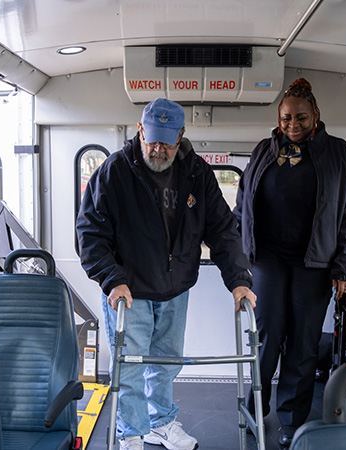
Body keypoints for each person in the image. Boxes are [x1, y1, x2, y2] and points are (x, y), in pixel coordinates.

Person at [77, 97, 257, 450]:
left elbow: (222, 230)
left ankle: (160, 423)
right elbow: (90, 233)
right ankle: (130, 434)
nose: (157, 148)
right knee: (128, 368)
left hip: (175, 289)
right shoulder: (114, 172)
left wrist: (239, 280)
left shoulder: (197, 174)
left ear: (181, 136)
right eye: (152, 138)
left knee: (166, 363)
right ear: (140, 130)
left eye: (166, 140)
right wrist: (113, 279)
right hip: (129, 289)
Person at [234, 78, 346, 447]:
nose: (293, 125)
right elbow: (243, 203)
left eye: (301, 118)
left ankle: (293, 418)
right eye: (286, 117)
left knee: (304, 344)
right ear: (279, 117)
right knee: (266, 338)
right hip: (268, 261)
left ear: (316, 116)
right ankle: (255, 408)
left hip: (316, 263)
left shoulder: (339, 154)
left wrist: (344, 267)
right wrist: (235, 253)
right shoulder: (263, 150)